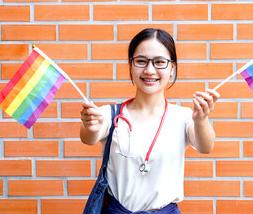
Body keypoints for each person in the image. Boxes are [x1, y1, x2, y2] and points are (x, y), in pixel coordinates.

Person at [80, 28, 220, 213]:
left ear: (172, 68)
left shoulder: (184, 117)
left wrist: (201, 119)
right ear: (130, 66)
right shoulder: (111, 114)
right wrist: (90, 125)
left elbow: (206, 146)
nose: (149, 70)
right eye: (141, 61)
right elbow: (88, 137)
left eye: (159, 62)